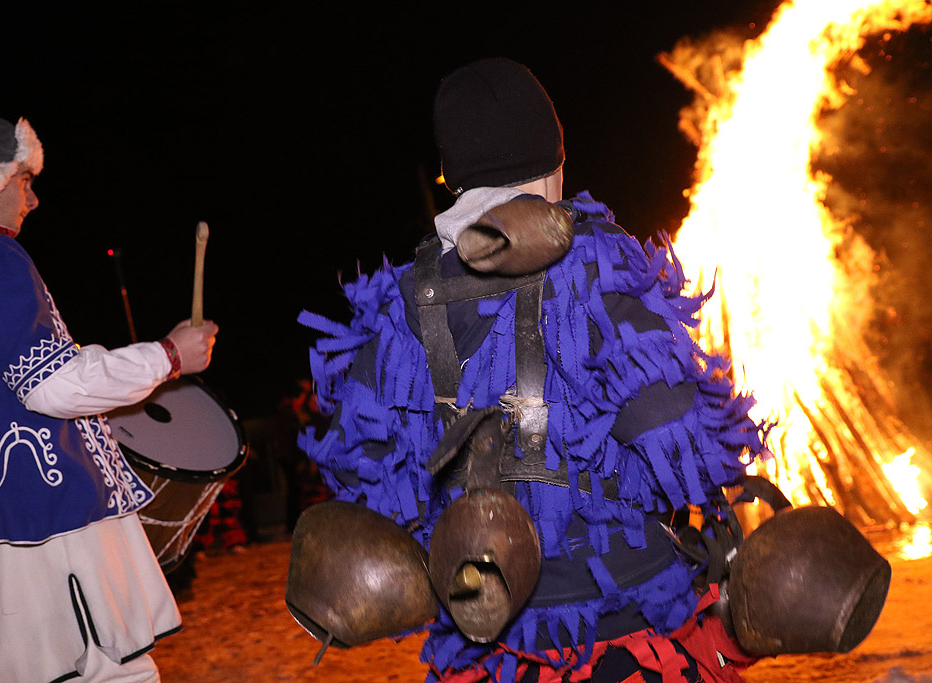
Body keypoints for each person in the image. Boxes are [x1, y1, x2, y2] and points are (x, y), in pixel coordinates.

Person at [298, 58, 766, 682]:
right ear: (553, 163)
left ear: (455, 179)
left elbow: (366, 480)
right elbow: (681, 443)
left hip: (488, 646)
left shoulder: (400, 303)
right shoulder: (600, 267)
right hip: (622, 629)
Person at [0, 114, 219, 682]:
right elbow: (52, 384)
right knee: (108, 673)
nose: (33, 198)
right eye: (24, 181)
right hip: (39, 522)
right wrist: (169, 356)